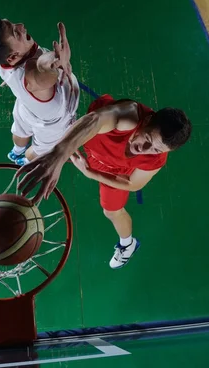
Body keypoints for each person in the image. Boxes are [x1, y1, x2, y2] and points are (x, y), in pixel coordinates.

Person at [16, 94, 192, 269]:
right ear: (147, 120)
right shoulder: (128, 116)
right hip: (89, 144)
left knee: (112, 212)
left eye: (155, 149)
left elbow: (133, 184)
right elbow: (94, 120)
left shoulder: (155, 159)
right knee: (32, 155)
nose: (144, 150)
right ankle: (35, 155)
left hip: (114, 170)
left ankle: (128, 244)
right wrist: (58, 154)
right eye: (147, 139)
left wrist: (90, 173)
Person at [0, 17, 79, 166]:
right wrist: (57, 61)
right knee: (40, 151)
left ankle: (16, 150)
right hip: (52, 123)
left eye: (11, 23)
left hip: (25, 107)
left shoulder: (1, 60)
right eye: (16, 32)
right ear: (13, 56)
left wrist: (12, 80)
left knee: (20, 131)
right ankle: (26, 160)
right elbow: (41, 72)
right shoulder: (33, 79)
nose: (21, 25)